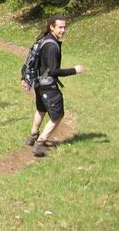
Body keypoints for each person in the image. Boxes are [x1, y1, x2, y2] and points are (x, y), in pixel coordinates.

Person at [22, 15, 85, 157]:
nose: (63, 30)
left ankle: (32, 136)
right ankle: (40, 143)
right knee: (57, 115)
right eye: (60, 27)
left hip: (38, 83)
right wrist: (75, 70)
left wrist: (25, 78)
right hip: (47, 86)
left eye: (64, 27)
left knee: (41, 109)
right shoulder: (52, 46)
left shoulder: (44, 39)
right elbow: (54, 71)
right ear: (52, 26)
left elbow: (32, 60)